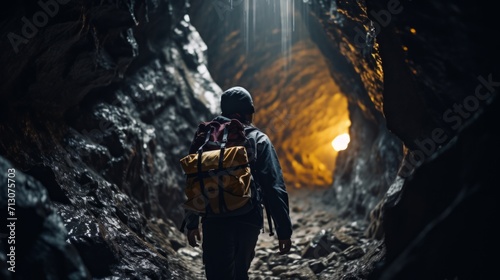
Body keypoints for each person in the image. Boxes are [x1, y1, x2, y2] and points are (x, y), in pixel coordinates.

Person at [183, 86, 293, 280]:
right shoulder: (259, 139)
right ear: (248, 113)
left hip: (213, 217)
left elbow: (194, 180)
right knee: (239, 273)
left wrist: (192, 222)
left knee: (217, 275)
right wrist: (284, 231)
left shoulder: (207, 137)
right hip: (247, 217)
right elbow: (274, 186)